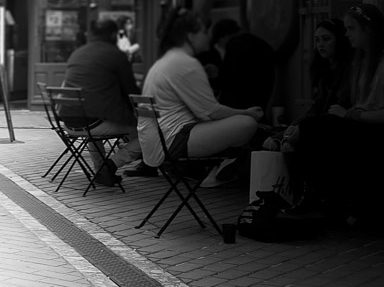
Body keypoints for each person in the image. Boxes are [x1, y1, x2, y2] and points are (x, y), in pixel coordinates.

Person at [285, 4, 384, 220]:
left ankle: (311, 199)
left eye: (351, 28)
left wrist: (350, 114)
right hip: (360, 122)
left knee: (314, 128)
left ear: (368, 30)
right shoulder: (360, 62)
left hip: (373, 128)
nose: (347, 34)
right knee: (311, 129)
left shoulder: (372, 63)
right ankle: (314, 198)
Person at [138, 10, 262, 182]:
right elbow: (212, 112)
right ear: (191, 36)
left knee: (234, 123)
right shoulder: (186, 63)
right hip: (172, 140)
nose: (208, 36)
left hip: (156, 141)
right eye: (204, 31)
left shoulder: (167, 60)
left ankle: (222, 165)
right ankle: (221, 167)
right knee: (247, 123)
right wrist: (247, 112)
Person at [63, 18, 143, 187]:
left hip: (68, 123)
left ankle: (101, 171)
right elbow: (131, 92)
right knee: (146, 133)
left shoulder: (77, 53)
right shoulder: (115, 55)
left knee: (92, 116)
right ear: (114, 35)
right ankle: (110, 165)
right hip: (93, 123)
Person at [265, 18, 352, 153]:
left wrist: (302, 127)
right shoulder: (323, 70)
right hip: (320, 123)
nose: (320, 45)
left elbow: (338, 107)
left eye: (326, 39)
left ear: (339, 40)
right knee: (271, 142)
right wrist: (294, 125)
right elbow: (317, 106)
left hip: (338, 125)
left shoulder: (350, 70)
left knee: (290, 145)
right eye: (317, 40)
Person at [204, 18, 277, 113]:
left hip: (244, 102)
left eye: (219, 41)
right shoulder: (255, 42)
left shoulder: (234, 45)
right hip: (262, 92)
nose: (220, 45)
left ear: (224, 36)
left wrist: (216, 76)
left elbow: (230, 77)